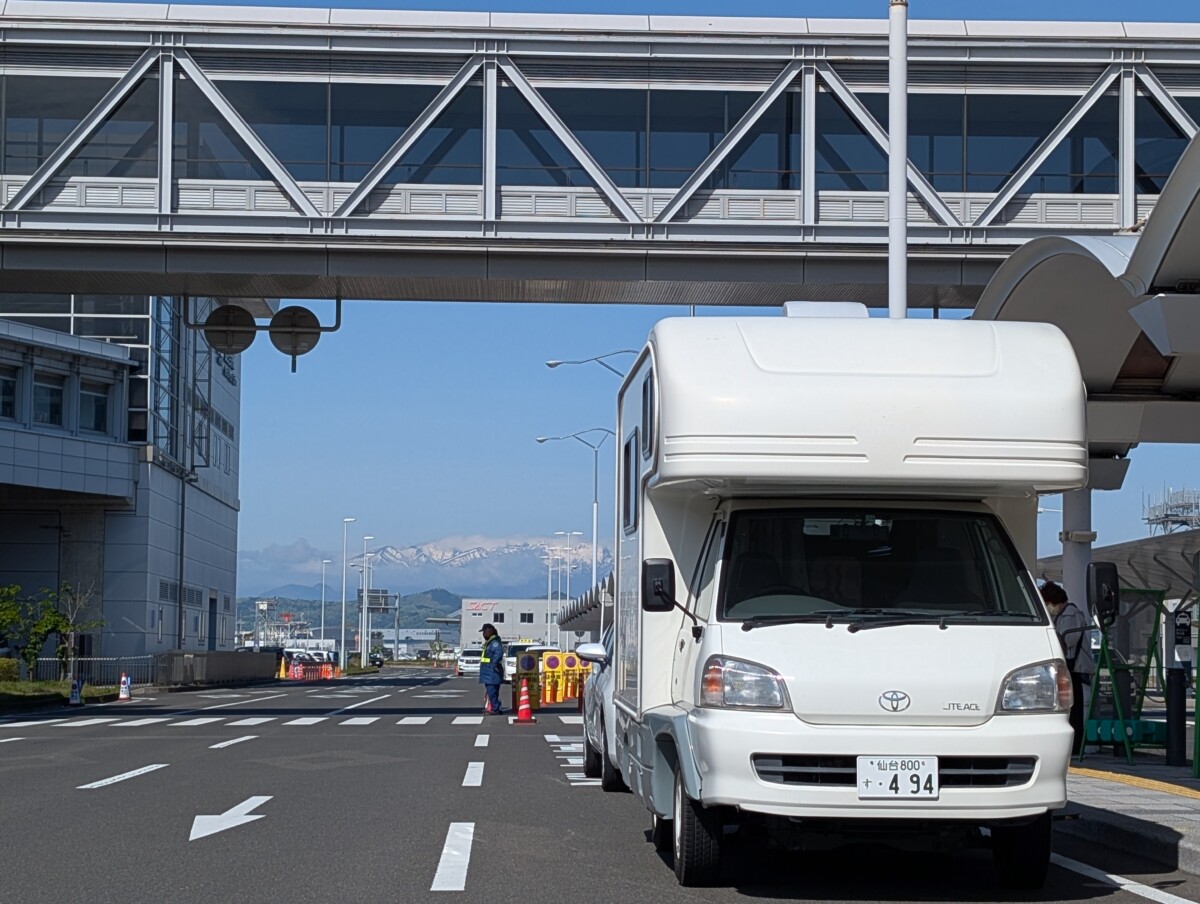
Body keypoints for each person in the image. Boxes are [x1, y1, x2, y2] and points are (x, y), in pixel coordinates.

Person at [1040, 581, 1095, 753]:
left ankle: (1075, 746)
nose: (1047, 607)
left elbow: (1066, 642)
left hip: (1074, 668)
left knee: (1074, 709)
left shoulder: (1070, 615)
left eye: (1048, 603)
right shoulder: (1061, 614)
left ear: (1054, 601)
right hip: (1067, 667)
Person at [478, 623, 505, 715]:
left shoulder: (494, 643)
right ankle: (495, 707)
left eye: (484, 631)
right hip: (489, 671)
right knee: (492, 691)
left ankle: (495, 708)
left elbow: (498, 654)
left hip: (492, 672)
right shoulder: (490, 642)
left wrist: (493, 665)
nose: (483, 634)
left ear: (489, 631)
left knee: (492, 691)